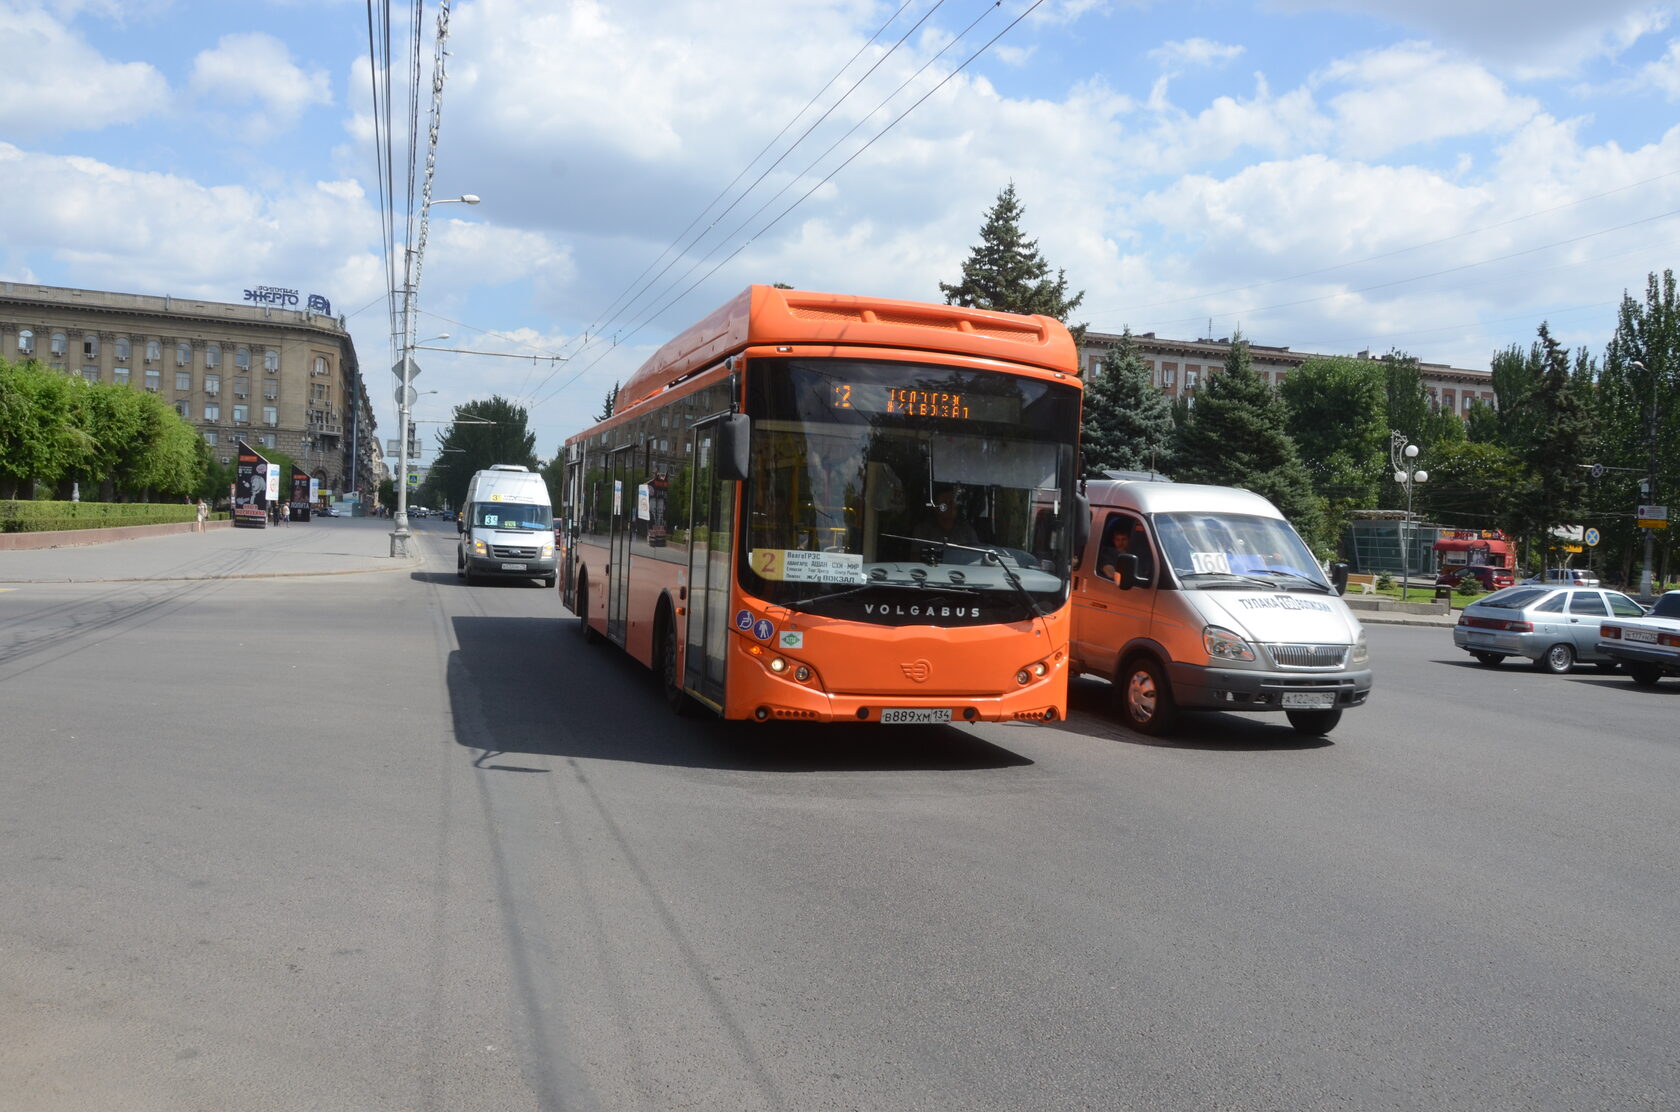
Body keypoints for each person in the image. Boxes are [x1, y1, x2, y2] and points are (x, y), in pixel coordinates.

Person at [912, 485, 979, 547]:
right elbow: (915, 557)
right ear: (936, 507)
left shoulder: (967, 531)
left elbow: (976, 556)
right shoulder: (923, 530)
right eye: (945, 503)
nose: (951, 506)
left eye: (953, 502)